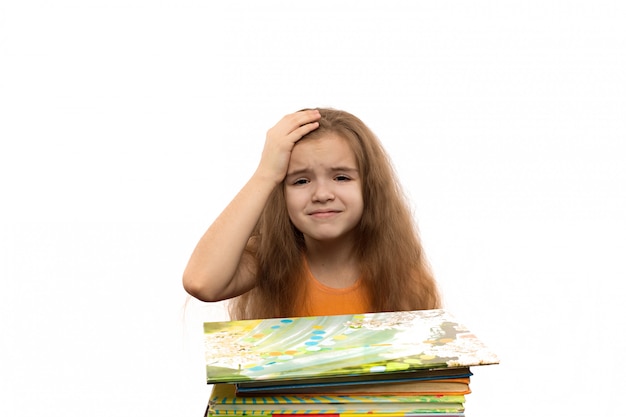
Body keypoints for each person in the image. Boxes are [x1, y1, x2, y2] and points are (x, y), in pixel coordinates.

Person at [183, 108, 441, 320]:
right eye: (301, 181)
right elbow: (201, 282)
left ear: (370, 187)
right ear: (280, 194)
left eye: (341, 177)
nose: (322, 194)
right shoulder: (270, 260)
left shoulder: (400, 276)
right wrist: (266, 173)